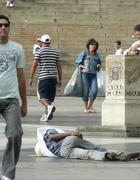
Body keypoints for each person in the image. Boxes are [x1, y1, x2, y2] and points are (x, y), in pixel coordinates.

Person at [0, 14, 27, 180]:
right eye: (0, 25)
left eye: (6, 25)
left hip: (11, 100)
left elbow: (21, 77)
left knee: (15, 134)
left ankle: (8, 174)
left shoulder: (17, 48)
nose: (3, 27)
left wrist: (24, 102)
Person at [38, 128, 140, 161]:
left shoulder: (43, 148)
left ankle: (107, 156)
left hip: (64, 151)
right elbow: (52, 136)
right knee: (98, 148)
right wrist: (70, 133)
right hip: (69, 141)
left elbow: (51, 138)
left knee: (89, 153)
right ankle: (120, 154)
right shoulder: (47, 131)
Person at [29, 34, 62, 122]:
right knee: (48, 98)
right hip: (53, 78)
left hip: (43, 77)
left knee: (41, 97)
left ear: (42, 42)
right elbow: (59, 67)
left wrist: (31, 78)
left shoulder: (39, 52)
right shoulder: (55, 52)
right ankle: (46, 115)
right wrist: (60, 79)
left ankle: (49, 107)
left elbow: (34, 66)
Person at [75, 38, 101, 113]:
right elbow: (77, 63)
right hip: (85, 74)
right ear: (88, 45)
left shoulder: (97, 55)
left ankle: (90, 106)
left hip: (93, 75)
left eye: (95, 45)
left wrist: (98, 66)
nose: (93, 46)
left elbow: (99, 64)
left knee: (94, 90)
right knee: (86, 91)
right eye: (92, 45)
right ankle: (85, 107)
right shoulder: (84, 53)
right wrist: (84, 67)